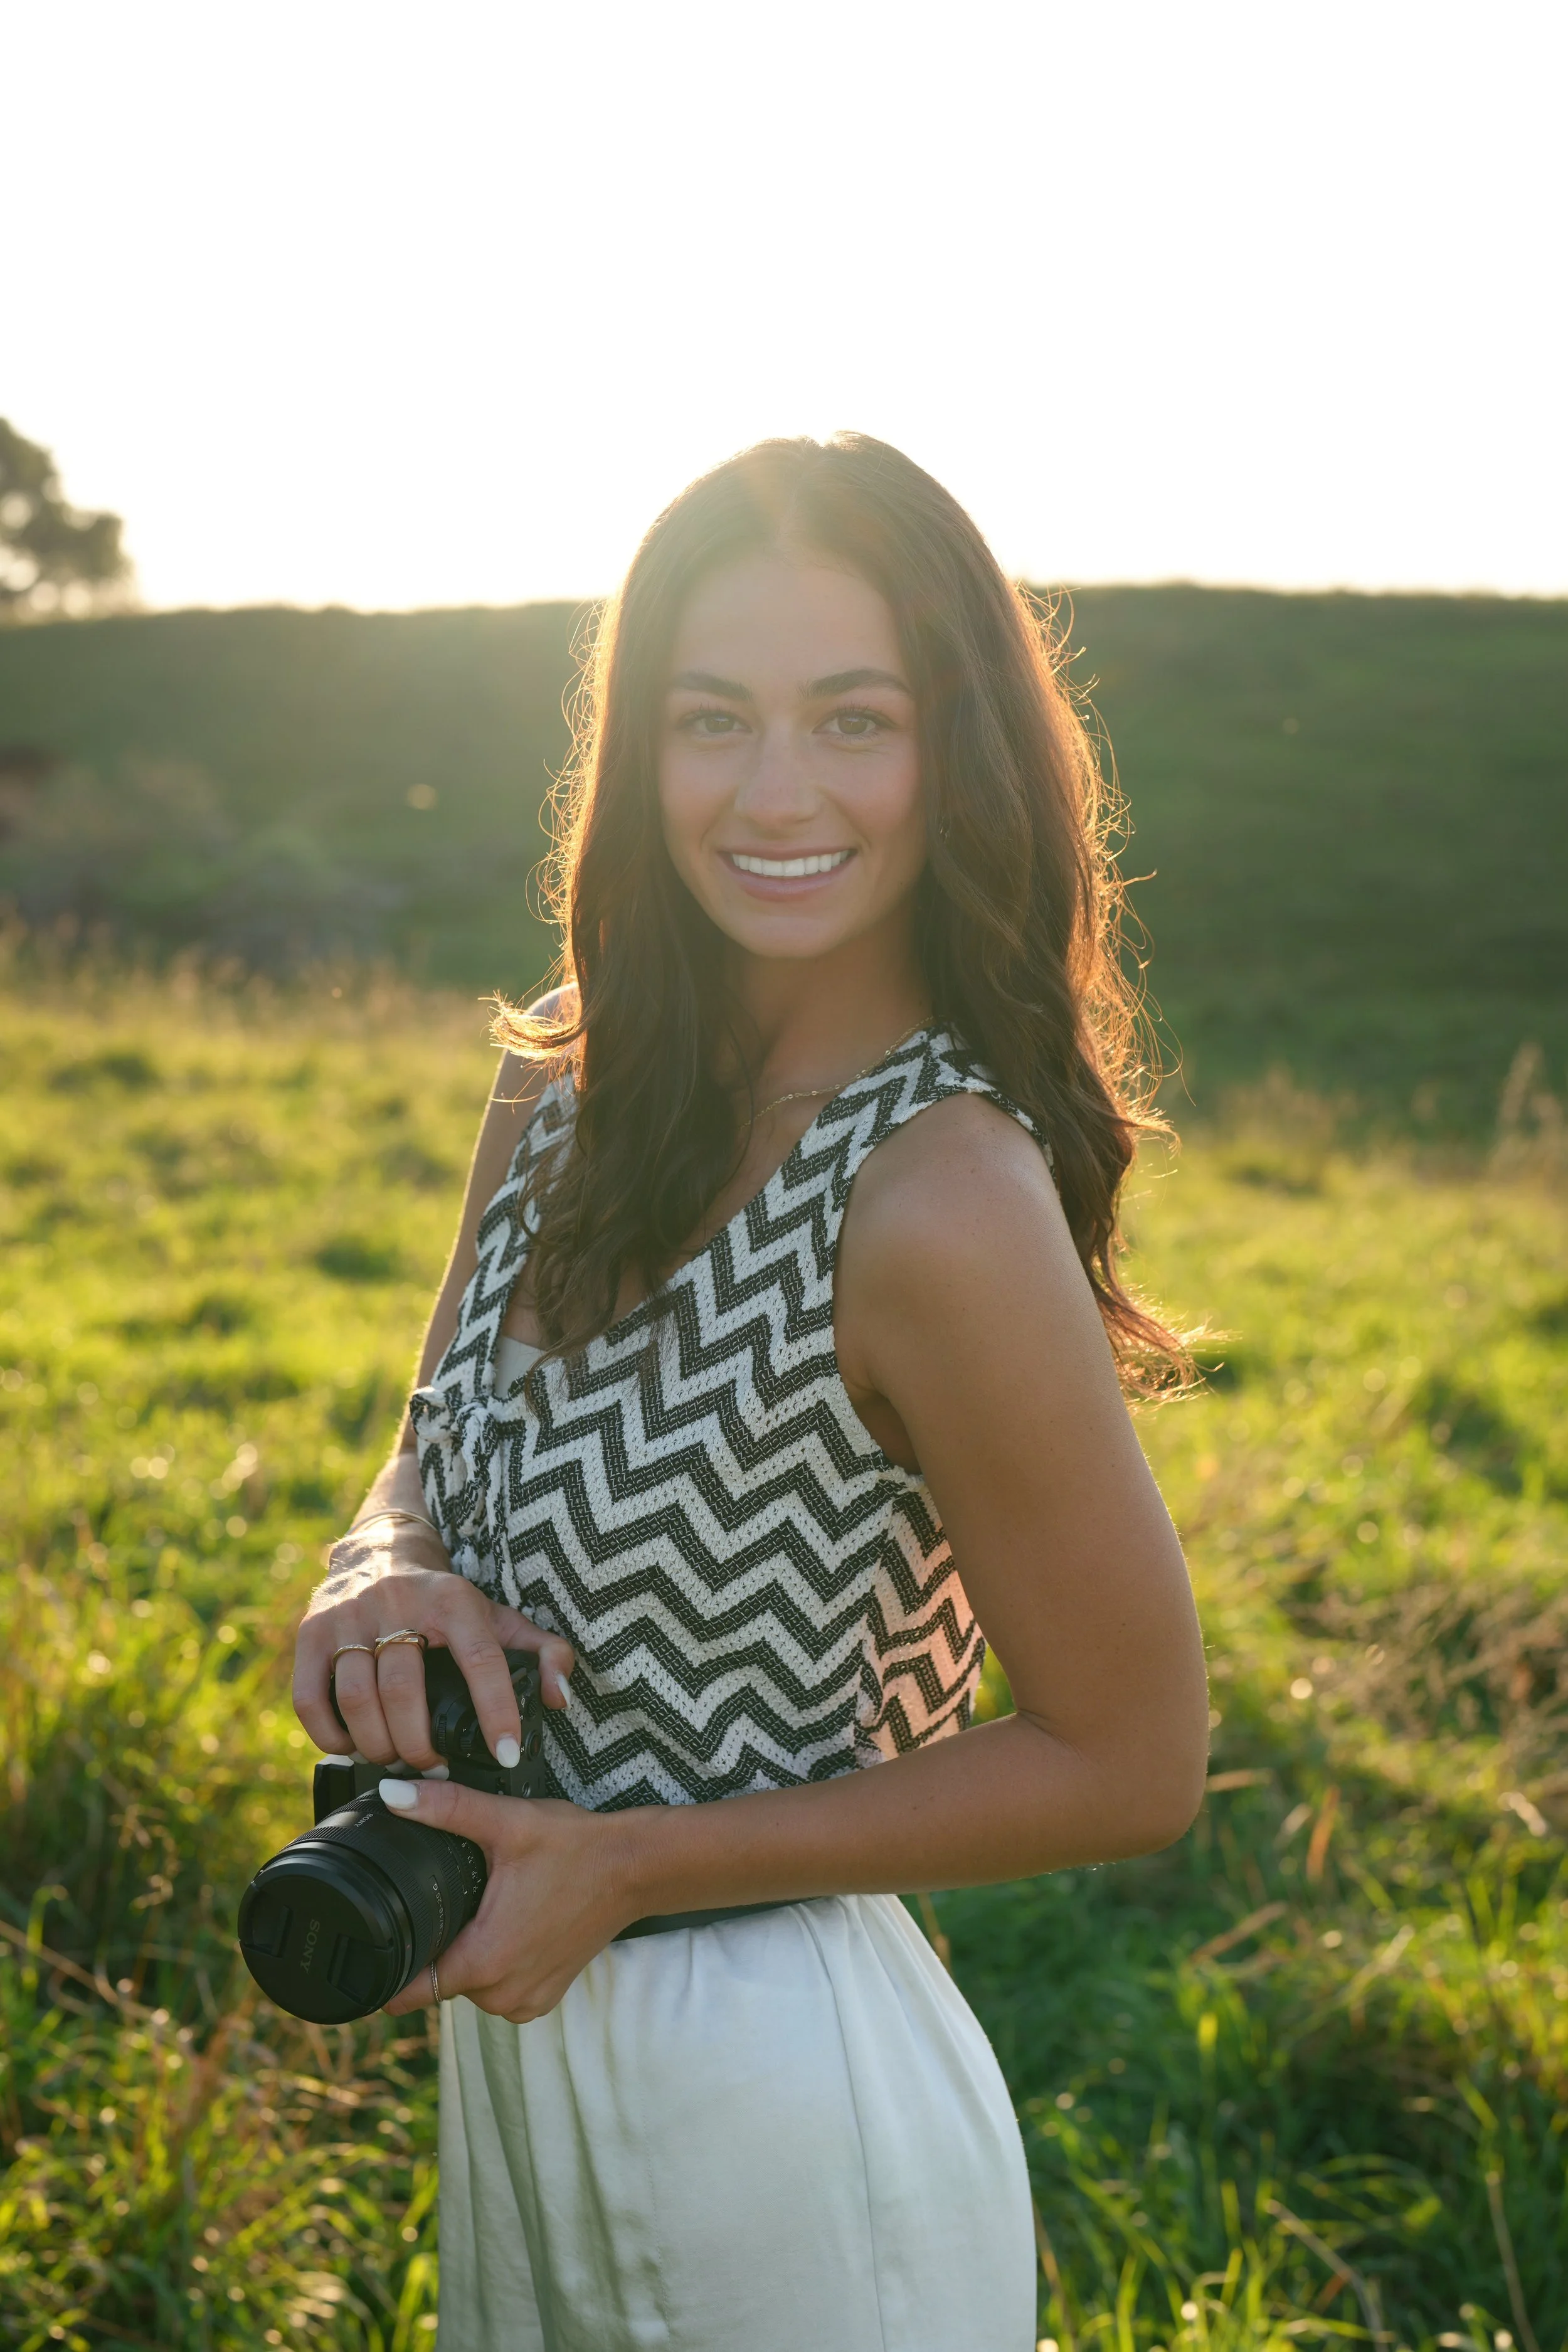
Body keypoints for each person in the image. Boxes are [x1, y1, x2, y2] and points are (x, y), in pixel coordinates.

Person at [292, 433, 1210, 2351]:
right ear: (637, 749)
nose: (773, 792)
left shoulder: (936, 1187)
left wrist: (623, 1860)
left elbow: (1133, 1758)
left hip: (780, 2092)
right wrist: (376, 1568)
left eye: (849, 719)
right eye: (712, 719)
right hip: (519, 2045)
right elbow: (422, 1448)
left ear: (950, 752)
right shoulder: (565, 1093)